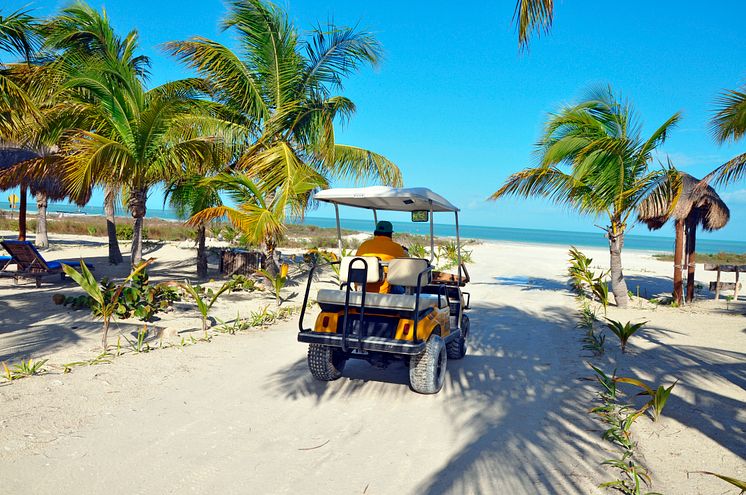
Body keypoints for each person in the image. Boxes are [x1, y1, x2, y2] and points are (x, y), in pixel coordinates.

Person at [356, 220, 407, 294]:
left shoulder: (364, 245)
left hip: (361, 289)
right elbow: (405, 264)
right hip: (385, 291)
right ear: (390, 234)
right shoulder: (397, 247)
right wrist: (404, 251)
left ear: (375, 232)